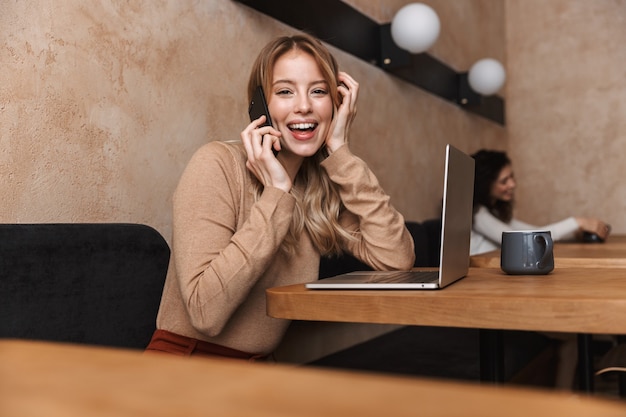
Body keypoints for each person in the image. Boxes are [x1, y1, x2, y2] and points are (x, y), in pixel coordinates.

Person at [145, 34, 415, 360]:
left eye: (318, 91)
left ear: (338, 104)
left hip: (258, 372)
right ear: (261, 106)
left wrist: (341, 151)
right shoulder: (215, 163)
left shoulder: (318, 186)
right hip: (186, 368)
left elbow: (396, 258)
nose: (304, 105)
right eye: (285, 91)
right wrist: (276, 192)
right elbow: (206, 314)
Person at [470, 149, 610, 255]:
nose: (512, 184)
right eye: (504, 181)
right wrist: (576, 222)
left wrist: (575, 232)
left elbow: (532, 231)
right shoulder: (478, 216)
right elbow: (521, 241)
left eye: (512, 177)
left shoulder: (494, 212)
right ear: (485, 184)